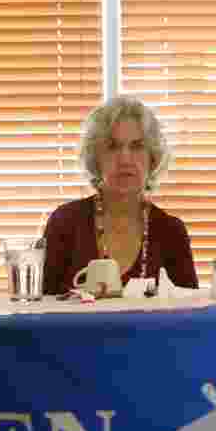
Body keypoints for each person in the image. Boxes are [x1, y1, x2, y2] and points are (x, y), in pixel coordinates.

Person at [42, 96, 198, 296]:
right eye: (113, 147)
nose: (125, 159)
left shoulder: (171, 232)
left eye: (137, 146)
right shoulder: (65, 223)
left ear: (153, 158)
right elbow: (40, 308)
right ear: (95, 158)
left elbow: (190, 310)